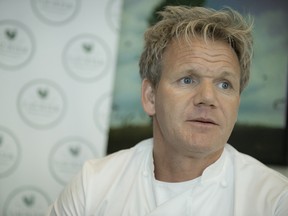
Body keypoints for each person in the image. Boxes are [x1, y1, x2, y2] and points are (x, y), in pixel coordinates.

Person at [46, 6, 288, 216]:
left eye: (225, 84)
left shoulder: (275, 200)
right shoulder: (94, 185)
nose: (207, 98)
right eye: (187, 80)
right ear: (150, 97)